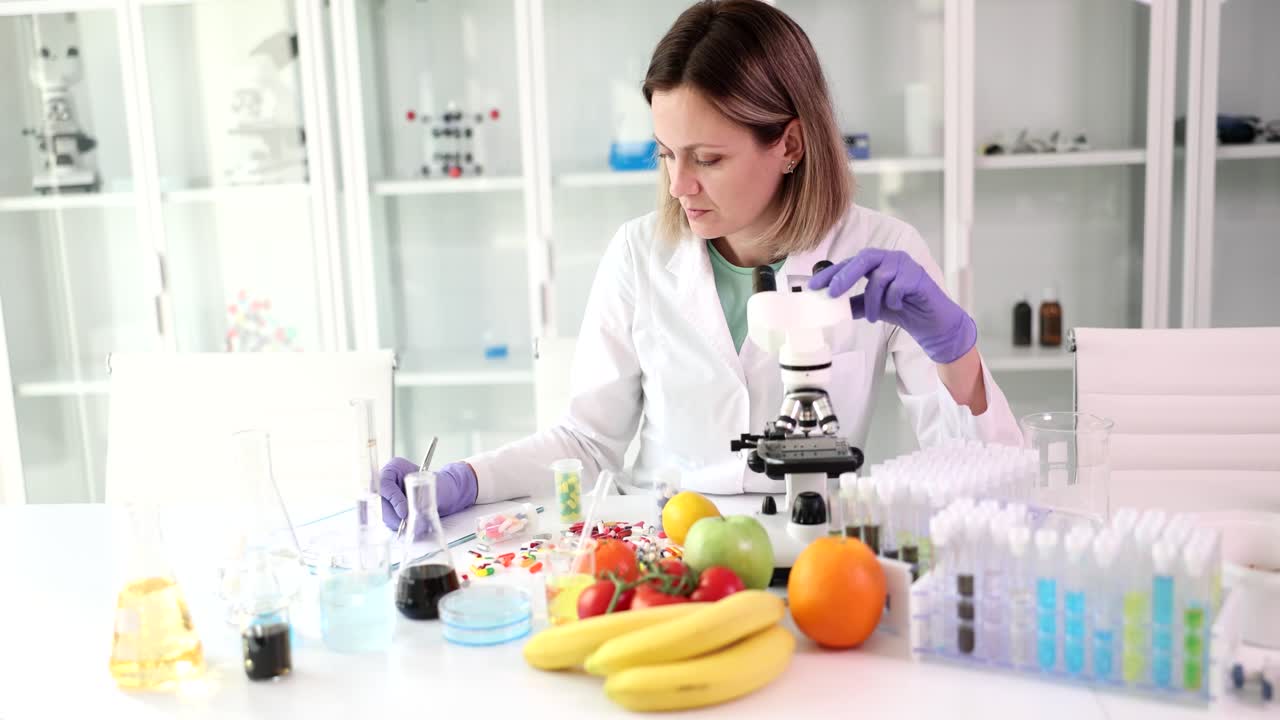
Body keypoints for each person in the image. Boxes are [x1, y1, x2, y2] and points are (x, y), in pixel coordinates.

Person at [380, 0, 1020, 528]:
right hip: (665, 540)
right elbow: (588, 443)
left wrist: (955, 349)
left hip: (810, 542)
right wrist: (467, 478)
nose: (678, 185)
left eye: (707, 159)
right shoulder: (638, 253)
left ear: (790, 144)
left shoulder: (881, 253)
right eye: (665, 154)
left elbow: (985, 479)